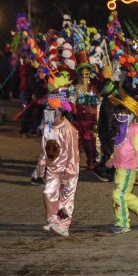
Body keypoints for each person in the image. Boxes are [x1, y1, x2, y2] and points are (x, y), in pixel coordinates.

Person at [36, 82, 79, 238]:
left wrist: (69, 170)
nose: (49, 113)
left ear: (61, 112)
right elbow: (45, 147)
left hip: (67, 170)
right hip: (53, 169)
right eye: (48, 109)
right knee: (49, 193)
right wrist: (42, 162)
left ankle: (63, 225)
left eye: (52, 110)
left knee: (65, 198)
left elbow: (73, 153)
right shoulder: (47, 127)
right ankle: (53, 221)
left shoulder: (69, 130)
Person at [106, 94, 138, 234]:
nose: (120, 115)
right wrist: (112, 159)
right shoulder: (122, 129)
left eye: (124, 113)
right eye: (118, 112)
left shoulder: (135, 130)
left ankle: (122, 223)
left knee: (118, 194)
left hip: (129, 168)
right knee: (123, 195)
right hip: (120, 167)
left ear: (132, 115)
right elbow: (120, 147)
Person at [92, 78, 118, 182]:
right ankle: (101, 170)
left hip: (106, 132)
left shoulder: (109, 102)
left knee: (109, 152)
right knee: (109, 153)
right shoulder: (108, 104)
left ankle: (109, 173)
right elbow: (110, 120)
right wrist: (113, 133)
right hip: (107, 133)